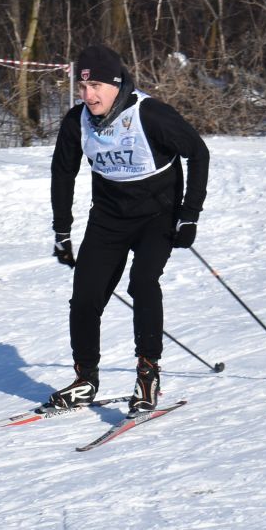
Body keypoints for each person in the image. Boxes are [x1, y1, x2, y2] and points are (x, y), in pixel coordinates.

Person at [46, 44, 209, 414]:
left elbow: (197, 152)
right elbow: (62, 172)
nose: (88, 95)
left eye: (96, 86)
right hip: (109, 217)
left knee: (142, 283)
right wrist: (62, 230)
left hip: (158, 216)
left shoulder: (150, 114)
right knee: (85, 297)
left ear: (117, 84)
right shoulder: (78, 121)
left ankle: (147, 375)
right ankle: (85, 378)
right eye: (82, 87)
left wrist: (190, 214)